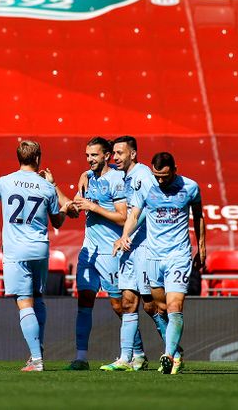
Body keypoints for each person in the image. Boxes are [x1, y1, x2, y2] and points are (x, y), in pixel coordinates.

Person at [0, 140, 66, 372]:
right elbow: (58, 222)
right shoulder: (47, 187)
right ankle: (36, 352)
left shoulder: (4, 181)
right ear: (37, 158)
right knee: (38, 299)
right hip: (40, 248)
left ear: (18, 158)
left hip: (16, 250)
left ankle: (36, 360)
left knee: (24, 302)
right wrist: (64, 206)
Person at [116, 151, 205, 375]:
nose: (161, 181)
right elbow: (134, 215)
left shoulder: (190, 187)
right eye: (157, 176)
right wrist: (125, 235)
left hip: (178, 255)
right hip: (153, 256)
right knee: (158, 308)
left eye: (165, 176)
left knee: (175, 306)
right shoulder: (147, 187)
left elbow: (199, 216)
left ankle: (168, 355)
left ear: (175, 169)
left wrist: (202, 247)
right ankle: (177, 354)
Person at [51, 136, 127, 370]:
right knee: (84, 302)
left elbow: (123, 217)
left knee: (119, 306)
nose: (90, 159)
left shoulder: (117, 179)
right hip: (89, 252)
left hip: (111, 253)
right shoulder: (86, 177)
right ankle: (81, 357)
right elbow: (75, 210)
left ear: (107, 156)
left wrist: (94, 207)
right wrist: (54, 186)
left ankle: (134, 354)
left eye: (94, 155)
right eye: (87, 155)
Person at [100, 135, 154, 371]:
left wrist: (126, 234)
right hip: (130, 247)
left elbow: (146, 208)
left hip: (145, 247)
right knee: (128, 302)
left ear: (133, 154)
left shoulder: (143, 175)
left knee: (152, 306)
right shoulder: (123, 177)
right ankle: (128, 358)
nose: (115, 157)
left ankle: (174, 352)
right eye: (114, 153)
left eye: (120, 153)